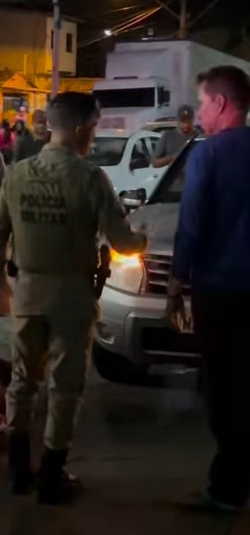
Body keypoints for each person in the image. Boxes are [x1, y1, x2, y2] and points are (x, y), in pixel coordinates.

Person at [0, 92, 148, 505]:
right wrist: (141, 238)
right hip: (71, 298)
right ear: (80, 130)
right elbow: (121, 239)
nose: (92, 138)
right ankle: (52, 478)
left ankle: (18, 474)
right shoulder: (91, 178)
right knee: (65, 387)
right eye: (93, 129)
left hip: (27, 292)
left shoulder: (18, 173)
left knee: (22, 381)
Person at [166, 66, 250, 513]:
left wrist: (176, 281)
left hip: (221, 292)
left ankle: (228, 490)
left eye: (201, 103)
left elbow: (191, 224)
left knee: (224, 390)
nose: (198, 113)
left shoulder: (209, 154)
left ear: (220, 103)